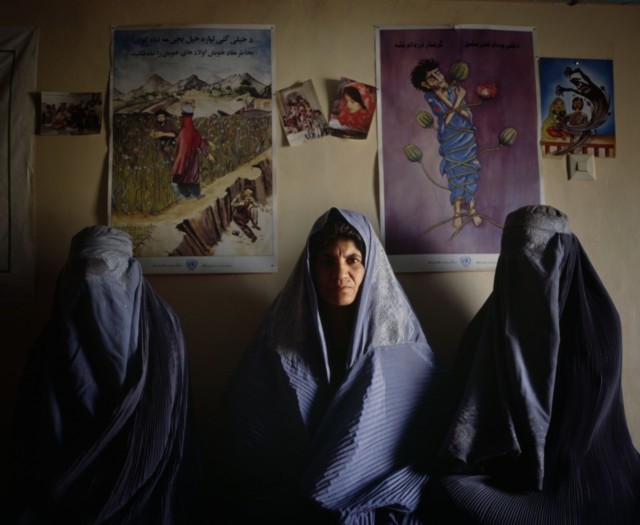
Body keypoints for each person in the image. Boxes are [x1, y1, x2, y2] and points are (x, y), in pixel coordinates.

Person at [221, 208, 453, 524]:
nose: (340, 273)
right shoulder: (281, 337)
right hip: (295, 493)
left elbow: (422, 423)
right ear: (311, 269)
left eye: (352, 260)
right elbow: (251, 415)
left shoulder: (400, 337)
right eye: (327, 261)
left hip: (376, 491)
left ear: (369, 267)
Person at [423, 205, 640, 524]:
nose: (528, 266)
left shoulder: (597, 326)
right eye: (516, 256)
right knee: (445, 490)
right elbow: (470, 418)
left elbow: (585, 435)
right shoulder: (489, 325)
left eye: (539, 252)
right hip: (511, 472)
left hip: (582, 477)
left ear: (566, 255)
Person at [7, 226, 205, 524]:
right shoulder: (49, 343)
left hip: (148, 497)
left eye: (102, 270)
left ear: (131, 272)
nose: (90, 280)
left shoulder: (164, 332)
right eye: (79, 271)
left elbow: (170, 423)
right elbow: (34, 434)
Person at [410, 59, 482, 229]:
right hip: (451, 139)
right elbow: (446, 120)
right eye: (432, 78)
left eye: (438, 73)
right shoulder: (431, 97)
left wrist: (453, 99)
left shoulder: (455, 90)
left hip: (466, 136)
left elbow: (467, 116)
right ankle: (457, 212)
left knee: (470, 171)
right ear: (425, 84)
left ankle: (472, 209)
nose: (438, 78)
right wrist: (457, 98)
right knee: (455, 173)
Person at [172, 103, 214, 200]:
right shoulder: (192, 130)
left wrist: (207, 143)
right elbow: (199, 141)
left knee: (182, 175)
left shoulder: (182, 130)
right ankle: (196, 194)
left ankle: (187, 194)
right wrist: (207, 154)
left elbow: (197, 140)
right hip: (191, 156)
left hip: (181, 158)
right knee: (193, 175)